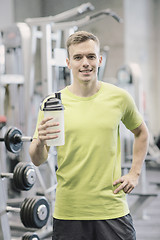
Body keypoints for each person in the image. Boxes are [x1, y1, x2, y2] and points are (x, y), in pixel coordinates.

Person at [29, 31, 149, 240]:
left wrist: (134, 174)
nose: (85, 63)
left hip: (112, 209)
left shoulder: (119, 97)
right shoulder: (52, 103)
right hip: (70, 212)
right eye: (78, 57)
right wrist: (40, 140)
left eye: (91, 56)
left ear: (99, 60)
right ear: (68, 62)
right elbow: (37, 159)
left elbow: (141, 133)